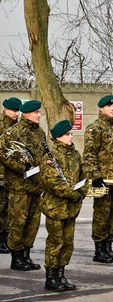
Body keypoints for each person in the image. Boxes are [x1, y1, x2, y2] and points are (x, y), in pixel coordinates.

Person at [40, 120, 86, 291]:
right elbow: (51, 182)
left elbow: (84, 175)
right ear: (58, 137)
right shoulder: (50, 157)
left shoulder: (75, 155)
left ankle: (61, 274)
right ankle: (51, 277)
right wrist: (71, 193)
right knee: (55, 242)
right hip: (56, 207)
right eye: (67, 134)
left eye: (71, 134)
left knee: (68, 243)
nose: (71, 137)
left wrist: (82, 191)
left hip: (71, 208)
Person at [1, 99, 46, 271]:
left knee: (32, 223)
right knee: (18, 222)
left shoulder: (39, 132)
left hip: (35, 185)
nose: (38, 115)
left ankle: (26, 255)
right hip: (19, 186)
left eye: (39, 112)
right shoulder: (13, 132)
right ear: (26, 114)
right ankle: (16, 257)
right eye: (36, 112)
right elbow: (1, 152)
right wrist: (20, 166)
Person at [83, 94, 113, 263]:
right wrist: (95, 176)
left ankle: (109, 247)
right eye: (109, 106)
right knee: (101, 214)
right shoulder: (95, 128)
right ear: (101, 108)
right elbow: (89, 154)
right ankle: (99, 249)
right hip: (102, 179)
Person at [0, 96, 22, 254]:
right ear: (5, 110)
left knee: (10, 208)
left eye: (18, 111)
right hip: (1, 173)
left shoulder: (18, 128)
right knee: (1, 207)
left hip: (14, 175)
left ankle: (6, 237)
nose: (16, 113)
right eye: (13, 111)